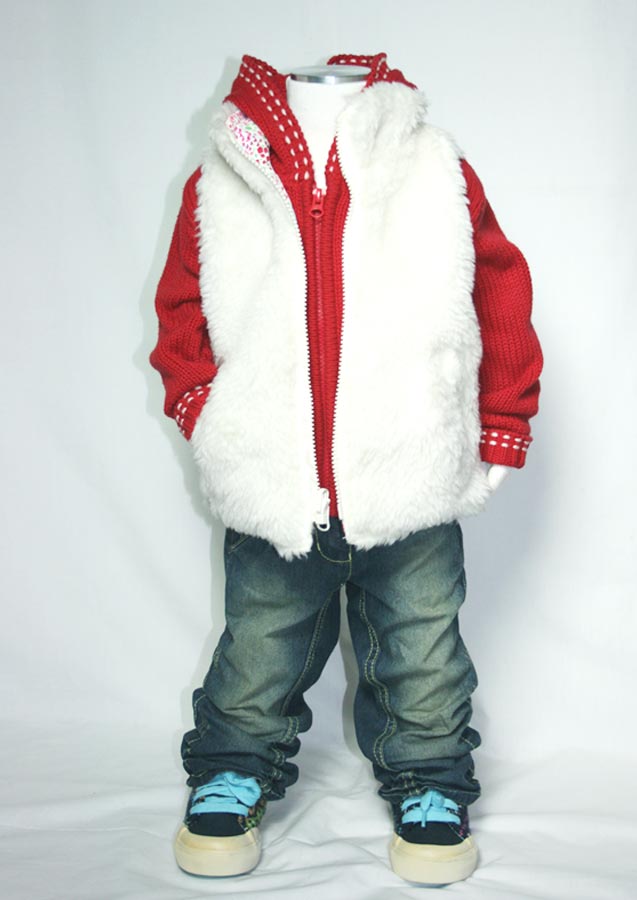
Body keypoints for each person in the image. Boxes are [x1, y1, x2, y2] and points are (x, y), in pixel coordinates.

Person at [149, 51, 543, 886]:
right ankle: (234, 769)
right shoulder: (221, 179)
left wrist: (502, 421)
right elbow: (181, 306)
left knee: (423, 650)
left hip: (408, 472)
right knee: (259, 647)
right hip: (274, 478)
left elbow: (498, 286)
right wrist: (203, 410)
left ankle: (430, 782)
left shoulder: (433, 165)